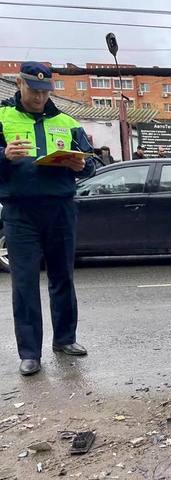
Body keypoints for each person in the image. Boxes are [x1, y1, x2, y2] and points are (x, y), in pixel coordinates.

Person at [0, 62, 95, 376]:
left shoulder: (66, 120)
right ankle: (30, 353)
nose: (40, 97)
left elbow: (90, 160)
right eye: (33, 90)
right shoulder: (2, 116)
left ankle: (65, 339)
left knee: (63, 277)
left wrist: (81, 165)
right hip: (20, 213)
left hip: (60, 208)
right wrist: (4, 156)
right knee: (24, 282)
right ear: (19, 84)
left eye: (44, 91)